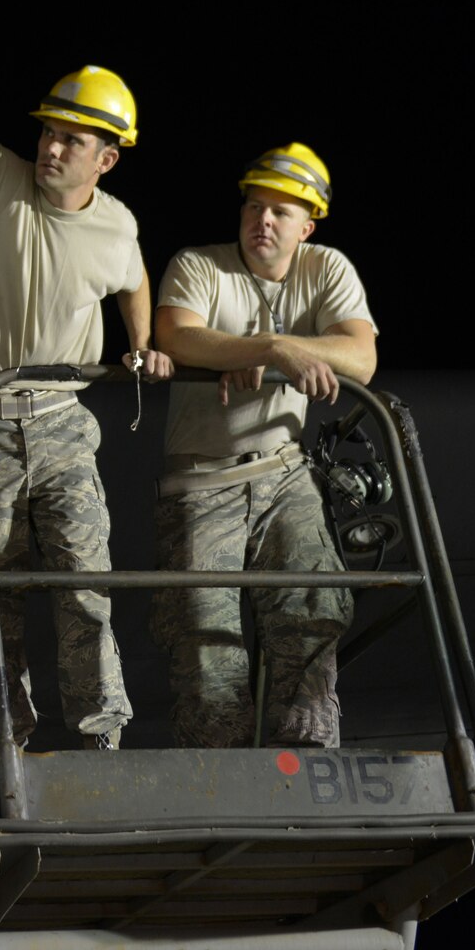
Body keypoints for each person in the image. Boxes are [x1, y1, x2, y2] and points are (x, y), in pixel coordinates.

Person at [0, 66, 172, 749]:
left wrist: (142, 343)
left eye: (71, 140)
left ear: (106, 160)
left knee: (83, 582)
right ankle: (5, 747)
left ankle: (102, 741)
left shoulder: (115, 225)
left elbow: (134, 277)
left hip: (63, 420)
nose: (51, 148)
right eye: (47, 133)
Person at [149, 143, 378, 748]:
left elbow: (361, 357)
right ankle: (221, 773)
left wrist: (261, 348)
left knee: (314, 605)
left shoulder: (325, 269)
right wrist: (272, 349)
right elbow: (176, 336)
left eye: (281, 212)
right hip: (202, 481)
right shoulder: (200, 265)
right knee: (205, 640)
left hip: (283, 471)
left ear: (308, 226)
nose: (263, 221)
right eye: (254, 206)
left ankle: (306, 755)